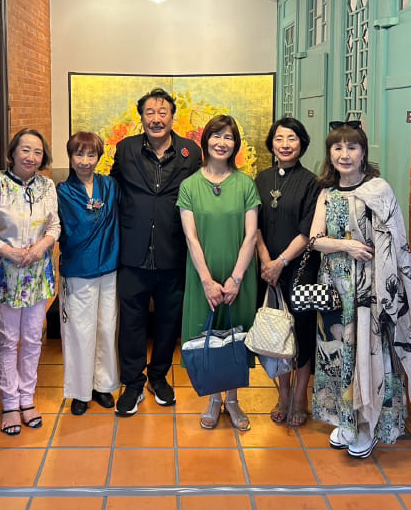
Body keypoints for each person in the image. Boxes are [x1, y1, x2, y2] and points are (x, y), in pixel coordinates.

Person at [309, 120, 411, 458]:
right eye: (337, 148)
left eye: (352, 147)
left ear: (363, 153)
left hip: (370, 291)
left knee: (370, 352)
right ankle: (346, 419)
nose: (344, 154)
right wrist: (346, 245)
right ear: (330, 154)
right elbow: (315, 240)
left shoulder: (379, 190)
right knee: (338, 354)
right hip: (334, 290)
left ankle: (369, 426)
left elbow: (394, 241)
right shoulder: (326, 193)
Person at [110, 88, 202, 416]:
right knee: (131, 322)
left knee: (167, 322)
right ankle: (133, 383)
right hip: (133, 252)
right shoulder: (126, 149)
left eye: (163, 112)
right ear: (141, 117)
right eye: (150, 112)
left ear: (173, 117)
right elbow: (113, 189)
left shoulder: (190, 151)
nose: (156, 118)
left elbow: (199, 197)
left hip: (173, 252)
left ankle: (159, 377)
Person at [178, 115, 260, 431]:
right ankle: (214, 399)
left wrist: (236, 279)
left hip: (239, 275)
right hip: (203, 276)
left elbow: (251, 236)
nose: (221, 143)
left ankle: (234, 400)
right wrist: (207, 281)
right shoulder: (189, 186)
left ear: (235, 144)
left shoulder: (245, 184)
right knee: (208, 337)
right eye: (216, 136)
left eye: (228, 137)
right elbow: (191, 237)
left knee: (236, 337)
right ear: (206, 141)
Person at [0, 128, 60, 435]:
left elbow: (54, 226)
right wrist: (9, 251)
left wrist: (41, 247)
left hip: (37, 274)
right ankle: (10, 404)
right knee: (6, 340)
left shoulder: (47, 186)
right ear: (12, 152)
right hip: (5, 274)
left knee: (32, 339)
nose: (31, 157)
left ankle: (27, 399)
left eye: (38, 152)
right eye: (25, 150)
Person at [255, 117, 320, 427]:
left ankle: (300, 395)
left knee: (302, 332)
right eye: (279, 138)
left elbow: (308, 232)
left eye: (291, 138)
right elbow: (253, 224)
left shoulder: (312, 182)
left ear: (302, 144)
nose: (285, 144)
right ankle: (283, 393)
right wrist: (266, 261)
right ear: (272, 143)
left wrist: (280, 261)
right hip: (268, 269)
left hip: (301, 269)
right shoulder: (261, 179)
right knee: (277, 331)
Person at [57, 131, 120, 415]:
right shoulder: (62, 191)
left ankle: (102, 386)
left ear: (99, 157)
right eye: (79, 154)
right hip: (78, 270)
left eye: (91, 154)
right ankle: (80, 392)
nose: (85, 161)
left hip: (109, 267)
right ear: (70, 157)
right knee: (79, 331)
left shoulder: (110, 186)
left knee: (106, 328)